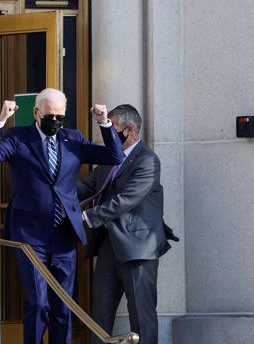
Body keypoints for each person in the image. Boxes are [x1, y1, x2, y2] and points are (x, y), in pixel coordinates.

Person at [0, 88, 124, 344]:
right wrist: (1, 120)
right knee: (39, 303)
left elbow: (115, 156)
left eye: (59, 116)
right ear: (36, 112)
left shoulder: (73, 138)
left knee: (63, 306)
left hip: (64, 234)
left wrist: (105, 124)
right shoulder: (19, 137)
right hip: (30, 237)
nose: (54, 121)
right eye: (49, 115)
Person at [78, 104, 178, 344]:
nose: (107, 136)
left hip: (138, 248)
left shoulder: (148, 160)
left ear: (130, 129)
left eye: (112, 129)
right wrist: (55, 191)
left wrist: (89, 217)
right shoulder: (108, 159)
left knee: (141, 318)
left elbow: (127, 200)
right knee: (99, 317)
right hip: (107, 247)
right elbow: (85, 188)